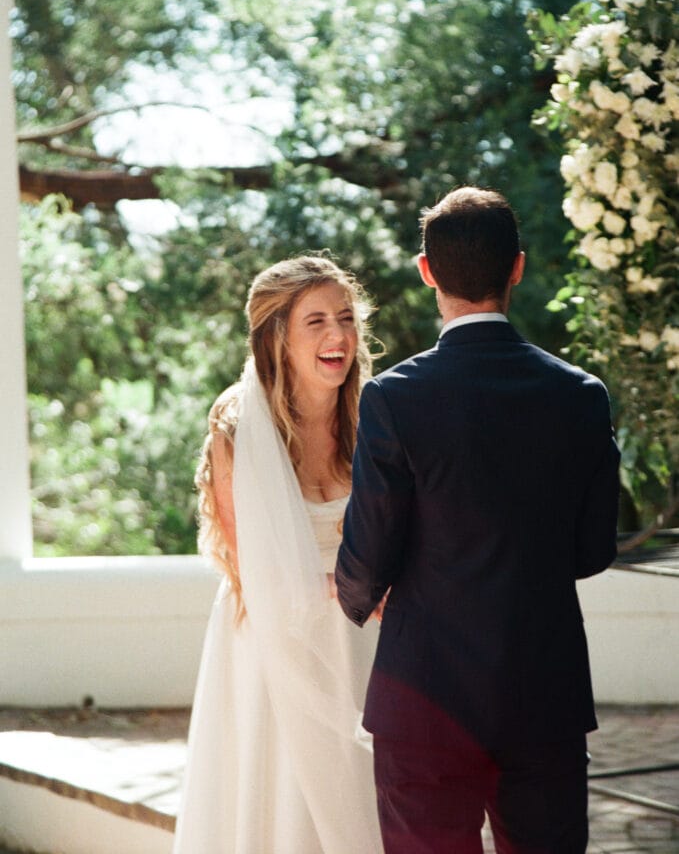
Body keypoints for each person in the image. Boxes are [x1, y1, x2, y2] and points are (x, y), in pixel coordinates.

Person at [336, 186, 620, 854]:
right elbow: (591, 549)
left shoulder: (393, 397)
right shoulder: (579, 396)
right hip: (542, 695)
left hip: (422, 696)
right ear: (517, 267)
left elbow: (369, 545)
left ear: (426, 271)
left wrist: (360, 596)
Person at [173, 255, 383, 854]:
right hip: (271, 641)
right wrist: (361, 594)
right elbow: (254, 564)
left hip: (363, 641)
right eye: (315, 321)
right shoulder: (237, 428)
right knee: (282, 805)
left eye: (345, 317)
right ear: (277, 337)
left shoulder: (375, 418)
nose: (338, 336)